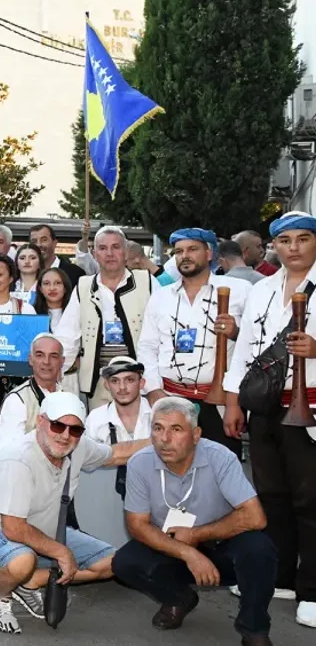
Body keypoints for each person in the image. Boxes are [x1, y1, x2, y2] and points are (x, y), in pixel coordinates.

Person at [0, 393, 145, 635]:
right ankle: (0, 595)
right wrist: (61, 552)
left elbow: (117, 454)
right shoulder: (18, 458)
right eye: (58, 425)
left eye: (75, 429)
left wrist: (164, 440)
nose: (65, 435)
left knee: (114, 563)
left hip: (41, 530)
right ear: (40, 421)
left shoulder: (78, 447)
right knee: (22, 561)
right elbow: (13, 528)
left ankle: (30, 582)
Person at [112, 397, 276, 644]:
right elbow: (137, 525)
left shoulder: (220, 457)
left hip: (221, 543)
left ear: (196, 434)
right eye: (158, 428)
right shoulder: (139, 463)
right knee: (125, 562)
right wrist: (189, 553)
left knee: (260, 550)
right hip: (172, 544)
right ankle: (179, 598)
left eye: (176, 429)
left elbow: (256, 517)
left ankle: (254, 628)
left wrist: (196, 535)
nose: (164, 439)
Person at [223, 211, 316, 626]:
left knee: (310, 499)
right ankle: (280, 576)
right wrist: (233, 401)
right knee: (271, 494)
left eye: (303, 239)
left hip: (310, 406)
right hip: (263, 406)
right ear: (274, 245)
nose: (293, 248)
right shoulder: (261, 290)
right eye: (285, 240)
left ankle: (312, 588)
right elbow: (244, 349)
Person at [138, 228, 247, 456]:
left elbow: (252, 346)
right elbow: (147, 347)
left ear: (209, 253)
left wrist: (236, 332)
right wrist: (154, 390)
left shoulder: (240, 290)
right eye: (178, 252)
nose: (184, 256)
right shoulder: (161, 296)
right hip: (171, 399)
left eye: (192, 249)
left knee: (221, 467)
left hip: (220, 404)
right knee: (173, 466)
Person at [57, 225, 157, 410]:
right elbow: (67, 337)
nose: (109, 253)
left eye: (116, 247)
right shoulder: (83, 286)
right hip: (99, 381)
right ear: (94, 254)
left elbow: (162, 332)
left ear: (126, 252)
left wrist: (155, 384)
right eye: (102, 248)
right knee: (100, 427)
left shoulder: (148, 282)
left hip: (140, 381)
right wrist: (56, 373)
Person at [0, 334, 66, 450]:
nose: (46, 362)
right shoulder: (17, 400)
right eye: (40, 355)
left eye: (53, 356)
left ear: (62, 361)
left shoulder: (67, 396)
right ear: (30, 360)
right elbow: (5, 451)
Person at [84, 356, 153, 445]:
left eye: (129, 380)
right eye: (115, 381)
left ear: (141, 383)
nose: (122, 387)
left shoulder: (156, 414)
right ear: (107, 385)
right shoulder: (95, 419)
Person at [29, 224, 86, 289]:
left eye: (44, 240)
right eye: (34, 241)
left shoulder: (75, 273)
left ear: (54, 243)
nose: (39, 245)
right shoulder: (25, 273)